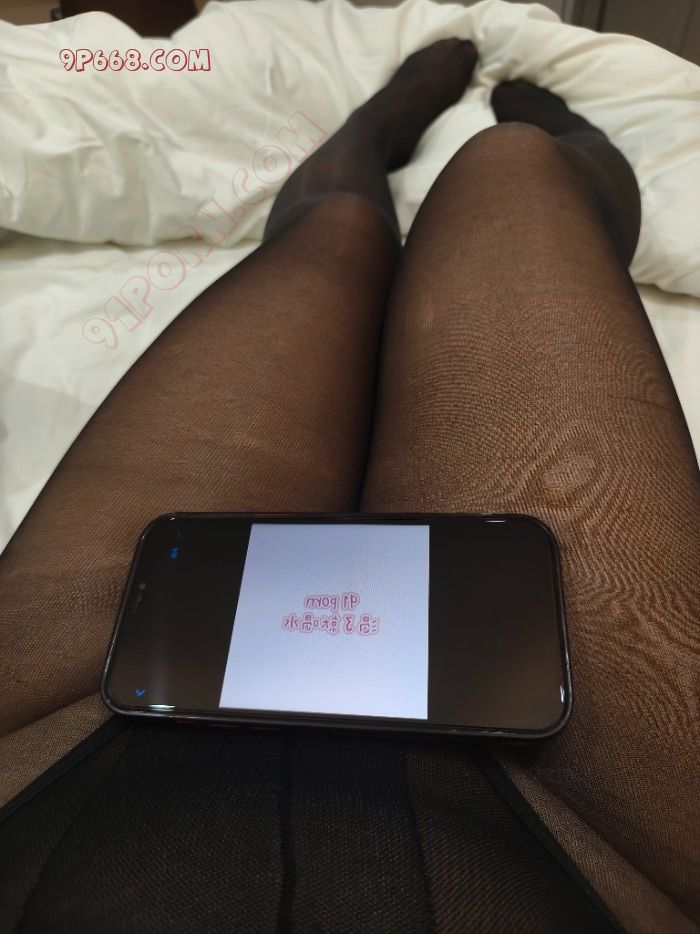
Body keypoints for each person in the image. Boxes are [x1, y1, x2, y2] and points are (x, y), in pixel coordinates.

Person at [0, 40, 697, 932]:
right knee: (515, 167)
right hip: (581, 845)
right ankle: (529, 130)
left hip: (56, 774)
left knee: (334, 228)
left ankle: (373, 131)